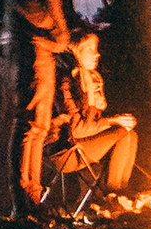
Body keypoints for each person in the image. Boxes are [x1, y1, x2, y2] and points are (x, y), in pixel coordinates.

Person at [5, 0, 77, 217]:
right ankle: (24, 198)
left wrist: (62, 32)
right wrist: (49, 24)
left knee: (43, 123)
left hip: (46, 45)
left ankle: (34, 196)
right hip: (33, 42)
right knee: (31, 121)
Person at [46, 31, 139, 193]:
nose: (97, 54)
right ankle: (112, 193)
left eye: (95, 49)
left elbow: (93, 126)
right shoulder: (66, 83)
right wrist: (112, 121)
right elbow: (77, 130)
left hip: (83, 146)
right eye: (89, 49)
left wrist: (118, 120)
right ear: (76, 52)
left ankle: (120, 191)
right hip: (65, 152)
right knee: (122, 133)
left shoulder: (90, 81)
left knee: (130, 134)